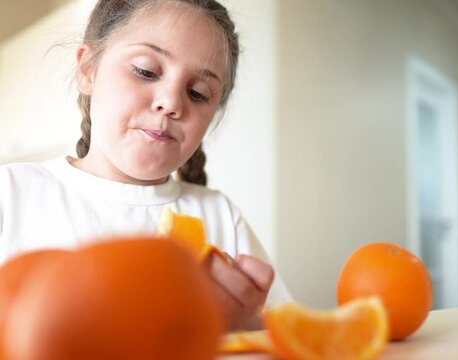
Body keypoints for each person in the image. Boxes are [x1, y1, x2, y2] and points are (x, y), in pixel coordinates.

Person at [0, 0, 290, 331]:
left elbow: (287, 342)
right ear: (88, 69)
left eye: (197, 93)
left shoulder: (222, 217)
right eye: (146, 71)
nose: (171, 103)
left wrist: (244, 326)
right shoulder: (10, 194)